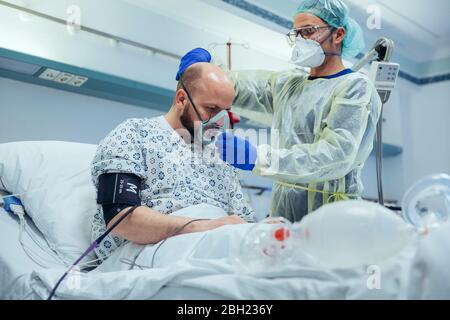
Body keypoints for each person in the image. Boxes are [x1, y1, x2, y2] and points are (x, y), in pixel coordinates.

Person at [206, 0, 381, 222]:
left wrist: (258, 158)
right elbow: (236, 88)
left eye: (308, 31)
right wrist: (210, 67)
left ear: (338, 35)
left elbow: (335, 156)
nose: (300, 41)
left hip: (333, 219)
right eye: (296, 34)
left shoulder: (355, 87)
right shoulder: (290, 85)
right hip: (283, 216)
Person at [90, 58, 255, 261]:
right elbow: (121, 218)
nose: (219, 121)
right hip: (151, 251)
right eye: (211, 109)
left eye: (225, 112)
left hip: (219, 247)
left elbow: (242, 221)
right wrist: (204, 227)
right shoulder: (134, 134)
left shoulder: (220, 158)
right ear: (181, 99)